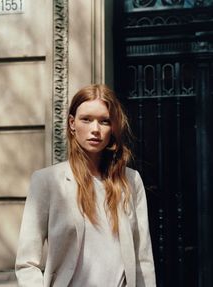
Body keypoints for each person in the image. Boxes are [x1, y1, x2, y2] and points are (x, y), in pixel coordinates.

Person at [15, 84, 156, 287]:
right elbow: (26, 263)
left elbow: (143, 260)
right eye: (86, 119)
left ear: (113, 127)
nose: (95, 130)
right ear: (72, 123)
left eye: (104, 121)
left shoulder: (131, 181)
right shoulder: (47, 182)